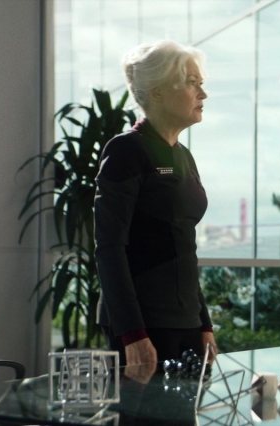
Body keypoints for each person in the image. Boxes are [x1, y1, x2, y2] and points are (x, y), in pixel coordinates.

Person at [94, 40, 217, 376]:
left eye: (201, 83)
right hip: (142, 325)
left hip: (186, 322)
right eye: (192, 83)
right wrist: (132, 334)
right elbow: (109, 248)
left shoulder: (183, 156)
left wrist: (204, 323)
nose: (203, 94)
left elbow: (183, 246)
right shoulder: (126, 151)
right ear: (158, 91)